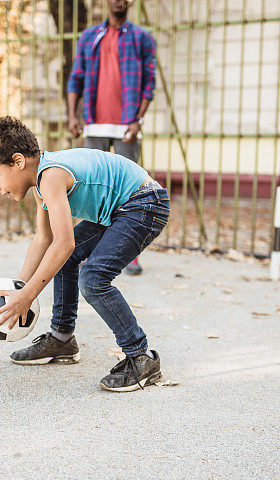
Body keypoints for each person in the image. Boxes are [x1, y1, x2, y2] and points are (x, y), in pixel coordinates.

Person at [0, 116, 169, 392]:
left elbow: (64, 244)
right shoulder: (41, 179)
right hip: (121, 209)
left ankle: (140, 357)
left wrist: (27, 297)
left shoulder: (51, 176)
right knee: (67, 261)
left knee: (93, 277)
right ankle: (61, 339)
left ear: (17, 161)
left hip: (144, 204)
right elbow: (45, 238)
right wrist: (18, 287)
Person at [67, 0, 156, 276]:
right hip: (94, 123)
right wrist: (73, 116)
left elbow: (149, 83)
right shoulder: (88, 37)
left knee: (133, 192)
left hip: (126, 123)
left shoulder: (143, 38)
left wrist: (138, 120)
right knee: (92, 191)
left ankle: (131, 254)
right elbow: (76, 78)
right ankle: (90, 250)